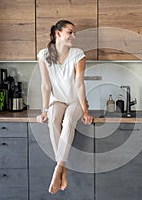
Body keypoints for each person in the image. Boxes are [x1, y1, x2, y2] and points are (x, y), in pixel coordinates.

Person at [36, 20, 93, 195]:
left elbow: (79, 85)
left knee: (68, 120)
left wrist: (85, 111)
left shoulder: (78, 54)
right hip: (57, 101)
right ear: (58, 34)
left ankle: (58, 169)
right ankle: (64, 168)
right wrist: (44, 110)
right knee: (53, 119)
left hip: (75, 101)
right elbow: (45, 85)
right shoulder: (44, 55)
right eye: (70, 32)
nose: (74, 36)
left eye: (74, 33)